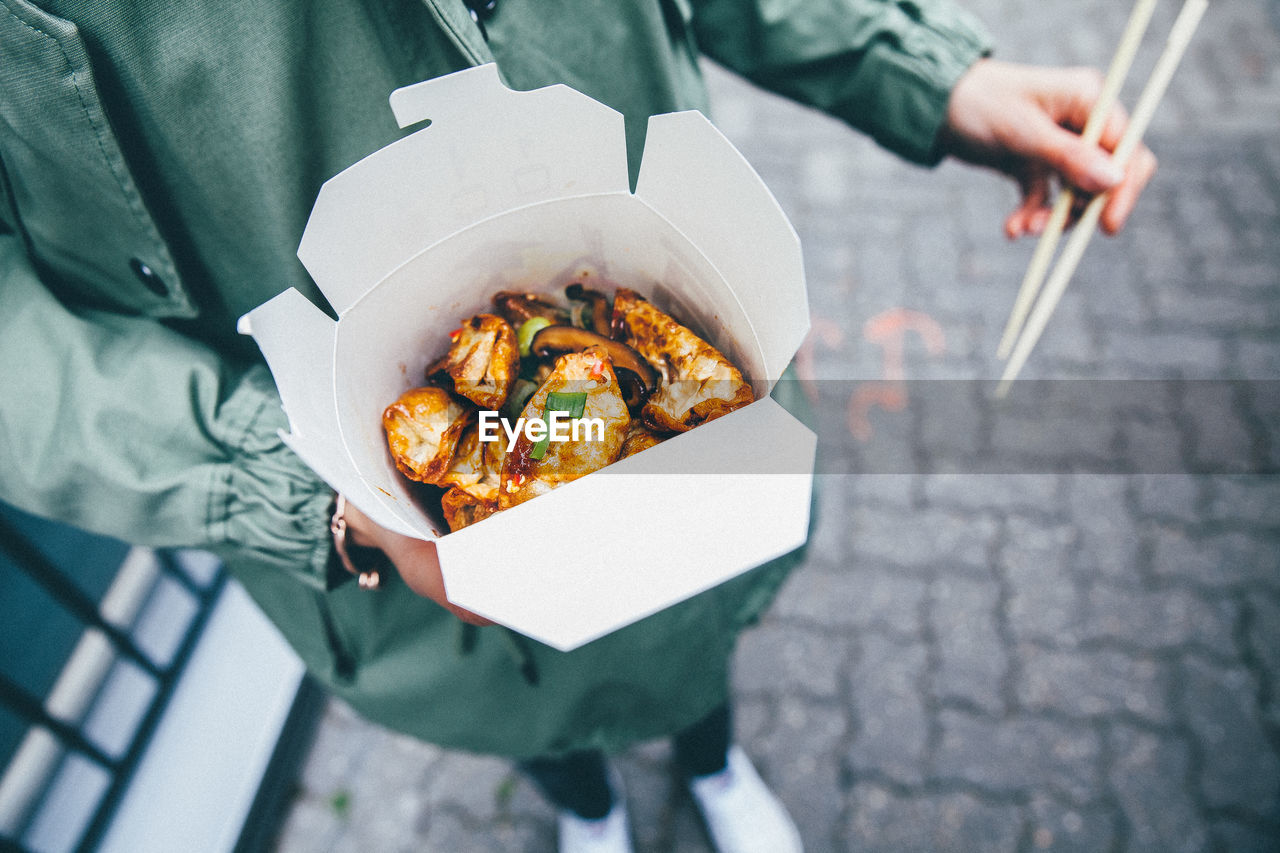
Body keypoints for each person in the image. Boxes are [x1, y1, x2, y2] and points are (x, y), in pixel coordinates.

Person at [0, 1, 1155, 851]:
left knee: (691, 628)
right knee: (522, 689)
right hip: (374, 522)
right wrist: (293, 476)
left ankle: (712, 765)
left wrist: (913, 64)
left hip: (672, 353)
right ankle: (590, 810)